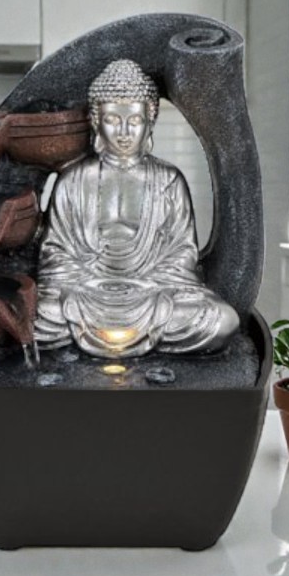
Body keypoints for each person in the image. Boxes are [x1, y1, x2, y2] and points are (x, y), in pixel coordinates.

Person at [34, 59, 238, 358]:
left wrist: (145, 282)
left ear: (149, 121)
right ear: (96, 121)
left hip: (152, 292)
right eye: (112, 120)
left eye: (134, 120)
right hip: (85, 291)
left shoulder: (168, 180)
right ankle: (126, 334)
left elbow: (182, 253)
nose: (124, 132)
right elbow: (55, 253)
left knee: (222, 320)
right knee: (35, 313)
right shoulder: (73, 179)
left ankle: (107, 335)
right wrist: (90, 280)